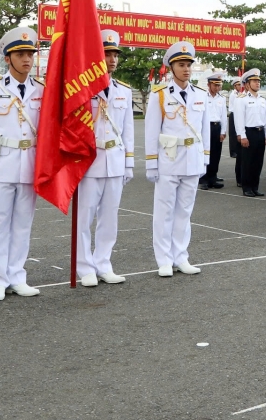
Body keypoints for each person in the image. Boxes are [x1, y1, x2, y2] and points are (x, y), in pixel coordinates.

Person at [0, 27, 44, 301]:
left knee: (23, 224)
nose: (27, 59)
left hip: (29, 165)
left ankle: (17, 275)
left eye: (30, 54)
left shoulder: (41, 89)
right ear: (7, 58)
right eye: (21, 54)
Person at [76, 29, 134, 287]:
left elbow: (129, 130)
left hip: (115, 159)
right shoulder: (81, 88)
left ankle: (103, 263)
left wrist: (128, 162)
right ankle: (84, 267)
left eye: (114, 54)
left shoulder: (124, 90)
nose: (111, 59)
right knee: (84, 218)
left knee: (109, 217)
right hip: (89, 161)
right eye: (106, 54)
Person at [145, 41, 207, 278]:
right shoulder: (159, 95)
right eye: (181, 65)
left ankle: (181, 256)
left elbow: (205, 131)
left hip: (192, 159)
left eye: (189, 65)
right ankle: (163, 259)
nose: (186, 69)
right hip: (169, 159)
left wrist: (205, 159)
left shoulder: (200, 95)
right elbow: (152, 131)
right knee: (164, 211)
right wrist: (152, 163)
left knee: (184, 211)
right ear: (171, 68)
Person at [233, 68, 266, 196]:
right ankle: (247, 187)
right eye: (254, 81)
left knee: (258, 162)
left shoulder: (263, 99)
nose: (257, 83)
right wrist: (242, 136)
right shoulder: (241, 99)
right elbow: (239, 119)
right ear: (247, 84)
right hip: (249, 132)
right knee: (248, 162)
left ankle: (255, 187)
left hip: (260, 132)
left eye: (258, 81)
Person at [199, 71, 227, 189]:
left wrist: (223, 131)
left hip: (217, 127)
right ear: (209, 84)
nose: (217, 87)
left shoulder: (221, 98)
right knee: (205, 153)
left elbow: (224, 116)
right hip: (206, 127)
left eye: (219, 85)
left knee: (216, 154)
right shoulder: (203, 97)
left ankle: (213, 177)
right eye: (215, 85)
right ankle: (204, 178)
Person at [227, 78, 245, 187]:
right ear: (235, 86)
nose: (240, 86)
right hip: (234, 115)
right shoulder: (234, 95)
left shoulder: (241, 95)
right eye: (238, 85)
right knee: (234, 137)